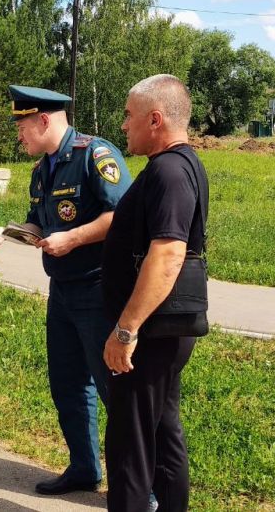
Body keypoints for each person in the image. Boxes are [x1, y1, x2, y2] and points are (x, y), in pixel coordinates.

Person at [0, 86, 130, 495]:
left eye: (22, 126)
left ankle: (140, 489)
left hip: (99, 290)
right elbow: (38, 225)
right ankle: (84, 468)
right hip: (62, 291)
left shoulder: (94, 155)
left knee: (115, 391)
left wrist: (74, 238)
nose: (19, 135)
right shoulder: (41, 170)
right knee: (68, 384)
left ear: (44, 120)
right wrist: (5, 233)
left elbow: (124, 216)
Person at [100, 74, 209, 512]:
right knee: (163, 433)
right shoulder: (180, 165)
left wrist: (125, 331)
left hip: (150, 332)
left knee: (130, 443)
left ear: (155, 119)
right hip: (163, 329)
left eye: (129, 116)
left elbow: (167, 255)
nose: (124, 125)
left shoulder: (168, 170)